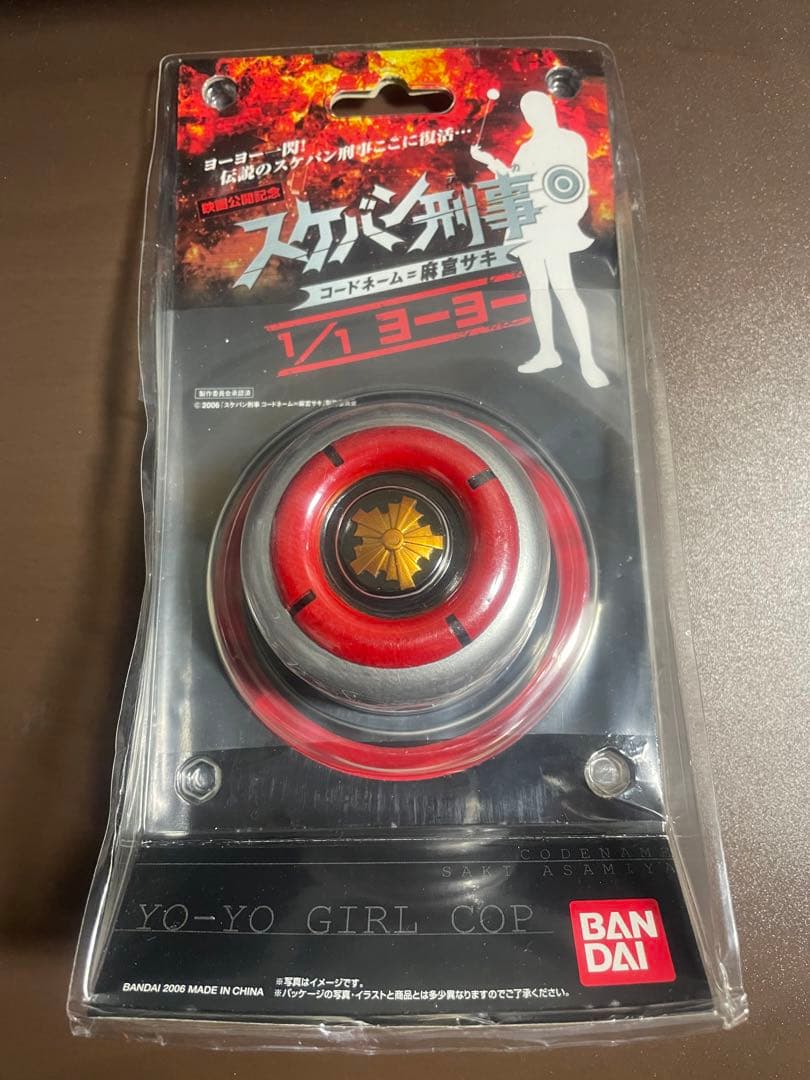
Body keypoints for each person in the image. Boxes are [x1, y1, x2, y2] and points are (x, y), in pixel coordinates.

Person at [471, 90, 609, 388]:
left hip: (554, 221)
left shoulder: (570, 140)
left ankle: (588, 361)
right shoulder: (527, 149)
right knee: (538, 288)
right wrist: (490, 161)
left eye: (538, 108)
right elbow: (514, 183)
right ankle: (548, 351)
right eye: (528, 111)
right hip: (530, 223)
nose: (534, 115)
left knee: (564, 288)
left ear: (549, 108)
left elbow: (576, 181)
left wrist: (566, 214)